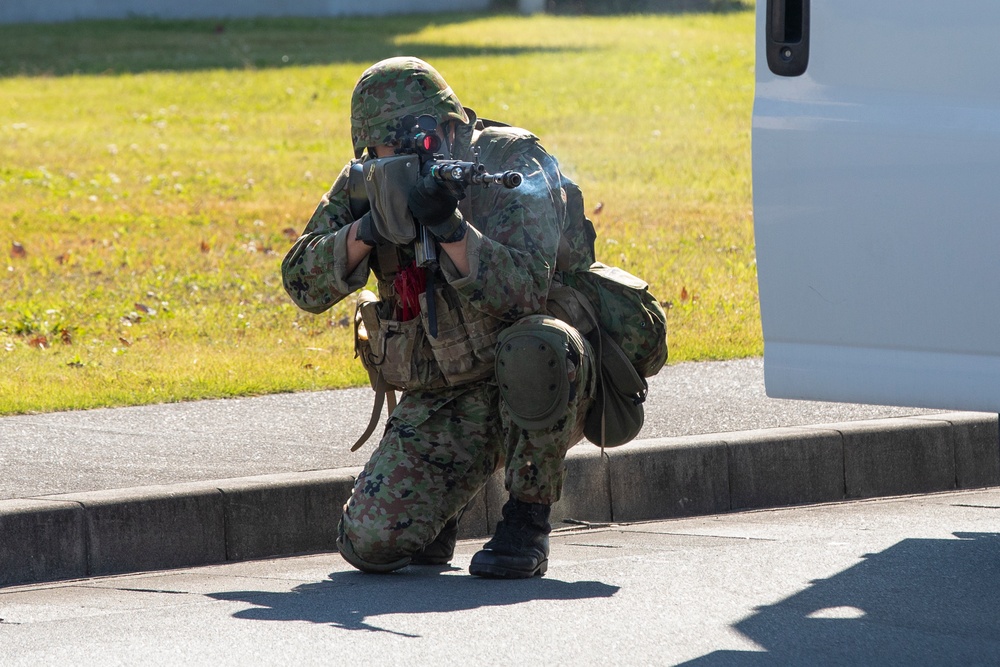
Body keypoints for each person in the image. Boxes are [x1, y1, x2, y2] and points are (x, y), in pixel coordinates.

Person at [281, 56, 600, 578]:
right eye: (379, 155)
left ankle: (527, 521)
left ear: (443, 127)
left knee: (536, 343)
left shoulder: (512, 161)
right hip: (446, 393)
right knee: (369, 544)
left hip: (541, 379)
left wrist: (450, 229)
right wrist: (368, 230)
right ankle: (445, 506)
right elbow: (301, 283)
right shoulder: (369, 181)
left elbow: (524, 291)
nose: (390, 163)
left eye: (401, 152)